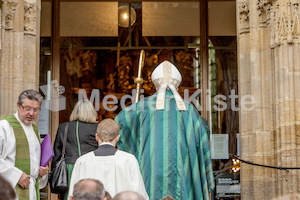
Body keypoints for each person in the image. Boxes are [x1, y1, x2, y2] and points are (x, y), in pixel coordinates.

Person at [115, 61, 215, 200]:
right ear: (178, 87)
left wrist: (133, 113)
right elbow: (203, 132)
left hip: (150, 168)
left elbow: (118, 123)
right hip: (182, 171)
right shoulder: (189, 109)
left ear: (155, 87)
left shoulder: (141, 107)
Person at [68, 119, 149, 200]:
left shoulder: (82, 161)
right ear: (117, 138)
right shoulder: (129, 160)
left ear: (96, 136)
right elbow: (139, 192)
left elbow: (73, 194)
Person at [0, 89, 48, 200]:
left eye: (36, 109)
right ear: (18, 105)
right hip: (10, 190)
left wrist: (41, 172)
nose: (31, 113)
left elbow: (34, 163)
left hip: (31, 190)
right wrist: (16, 175)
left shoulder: (35, 130)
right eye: (27, 108)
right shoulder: (4, 126)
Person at [52, 99, 99, 199]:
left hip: (70, 167)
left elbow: (57, 152)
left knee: (70, 196)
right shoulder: (97, 128)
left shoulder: (63, 127)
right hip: (92, 166)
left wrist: (54, 171)